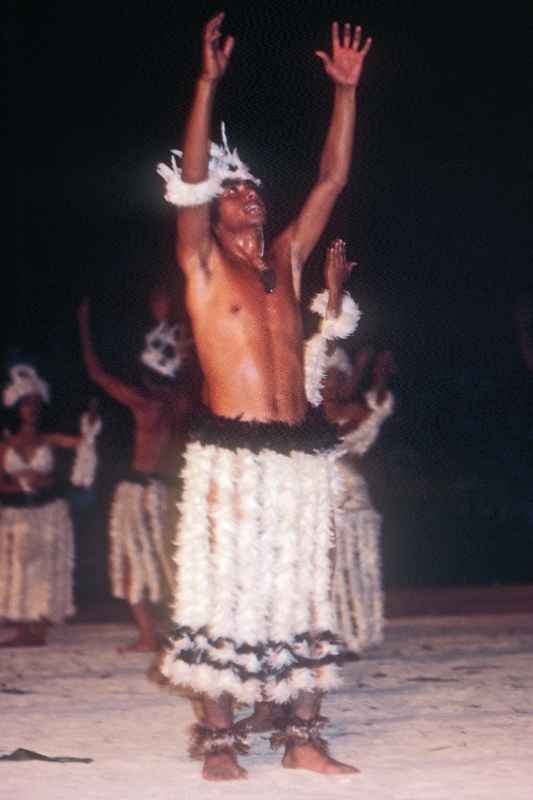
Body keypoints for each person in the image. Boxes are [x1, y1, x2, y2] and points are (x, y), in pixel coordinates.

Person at [157, 12, 371, 780]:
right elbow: (186, 180)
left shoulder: (287, 259)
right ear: (212, 210)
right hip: (231, 458)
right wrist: (206, 84)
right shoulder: (203, 267)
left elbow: (332, 179)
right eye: (235, 190)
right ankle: (219, 741)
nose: (251, 196)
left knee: (304, 593)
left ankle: (303, 736)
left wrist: (344, 93)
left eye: (253, 188)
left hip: (299, 454)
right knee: (225, 593)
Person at [78, 291, 195, 651]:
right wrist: (175, 331)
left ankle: (149, 634)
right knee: (169, 561)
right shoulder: (182, 402)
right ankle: (178, 633)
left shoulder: (143, 403)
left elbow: (96, 373)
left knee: (133, 561)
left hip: (137, 490)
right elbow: (186, 363)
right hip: (166, 490)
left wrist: (83, 324)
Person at [0, 364, 100, 647]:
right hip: (16, 513)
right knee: (18, 568)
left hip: (47, 511)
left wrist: (90, 421)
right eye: (26, 404)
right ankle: (22, 627)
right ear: (17, 408)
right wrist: (21, 484)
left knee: (44, 569)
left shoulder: (49, 439)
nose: (31, 409)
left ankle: (39, 629)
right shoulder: (6, 445)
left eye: (35, 403)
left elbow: (83, 443)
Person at [324, 347, 395, 651]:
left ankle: (355, 634)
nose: (334, 384)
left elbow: (377, 408)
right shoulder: (306, 415)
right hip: (321, 500)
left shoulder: (355, 411)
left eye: (340, 378)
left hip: (353, 498)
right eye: (328, 377)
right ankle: (327, 632)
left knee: (355, 564)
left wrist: (378, 378)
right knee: (327, 568)